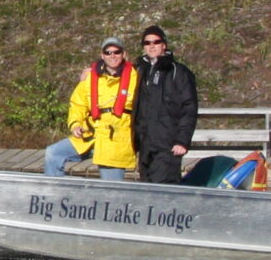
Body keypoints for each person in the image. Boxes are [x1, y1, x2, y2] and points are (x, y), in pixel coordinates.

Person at [43, 36, 139, 179]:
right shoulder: (90, 77)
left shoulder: (136, 77)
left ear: (124, 54)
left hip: (115, 140)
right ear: (102, 55)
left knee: (111, 189)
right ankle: (54, 194)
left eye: (116, 52)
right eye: (108, 52)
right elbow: (78, 104)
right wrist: (76, 124)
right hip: (91, 134)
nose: (112, 55)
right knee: (53, 153)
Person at [131, 24, 199, 185]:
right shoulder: (139, 70)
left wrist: (182, 140)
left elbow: (189, 108)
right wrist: (92, 70)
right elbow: (113, 69)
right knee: (146, 192)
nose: (152, 46)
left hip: (168, 145)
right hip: (145, 144)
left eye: (156, 42)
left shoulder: (178, 72)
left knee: (163, 190)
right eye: (147, 43)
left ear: (164, 45)